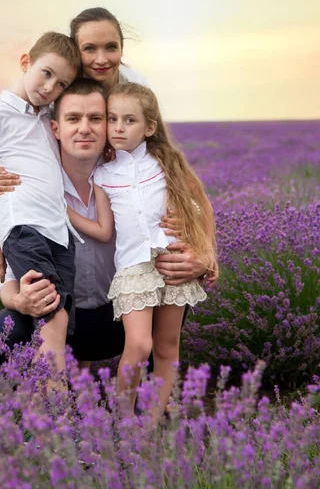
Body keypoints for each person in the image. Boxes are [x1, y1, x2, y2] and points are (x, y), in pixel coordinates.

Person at [0, 81, 218, 368]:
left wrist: (203, 257)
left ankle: (150, 399)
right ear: (56, 129)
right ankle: (7, 403)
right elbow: (9, 278)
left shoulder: (136, 181)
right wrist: (20, 300)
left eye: (97, 118)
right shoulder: (34, 189)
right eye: (73, 119)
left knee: (171, 283)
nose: (85, 128)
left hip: (120, 318)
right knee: (7, 324)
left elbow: (197, 206)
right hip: (65, 322)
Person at [67, 82, 216, 417]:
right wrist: (64, 212)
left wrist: (203, 250)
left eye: (129, 120)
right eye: (113, 119)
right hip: (134, 268)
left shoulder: (167, 163)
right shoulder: (103, 175)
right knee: (138, 345)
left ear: (150, 127)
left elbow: (199, 207)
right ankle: (123, 420)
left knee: (166, 348)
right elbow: (104, 230)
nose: (118, 127)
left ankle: (147, 427)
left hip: (172, 262)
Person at [0, 32, 80, 375]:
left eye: (61, 84)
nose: (49, 87)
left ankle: (33, 398)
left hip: (58, 232)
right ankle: (52, 408)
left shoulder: (46, 120)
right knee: (52, 314)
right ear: (25, 62)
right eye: (46, 73)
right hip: (24, 226)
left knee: (56, 317)